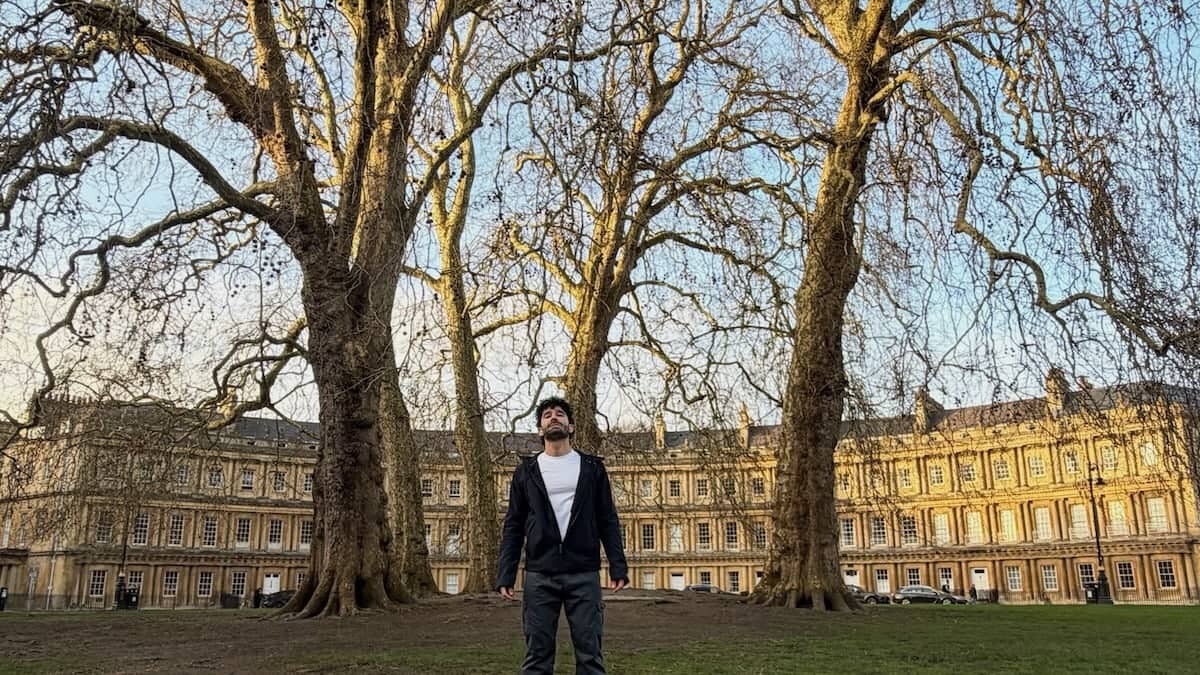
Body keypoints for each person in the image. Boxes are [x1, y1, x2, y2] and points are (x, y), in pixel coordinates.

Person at [496, 396, 629, 675]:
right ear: (540, 430)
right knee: (537, 658)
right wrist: (506, 573)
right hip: (539, 574)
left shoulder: (592, 468)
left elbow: (607, 518)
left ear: (570, 427)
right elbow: (514, 525)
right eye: (547, 415)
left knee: (590, 656)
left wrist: (618, 565)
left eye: (559, 414)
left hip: (584, 572)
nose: (553, 417)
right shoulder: (526, 471)